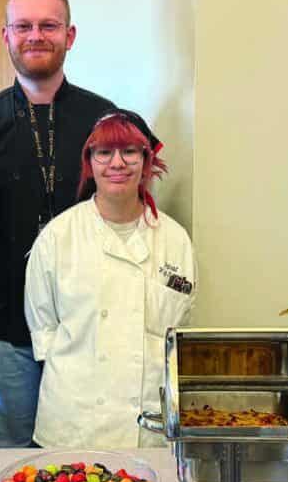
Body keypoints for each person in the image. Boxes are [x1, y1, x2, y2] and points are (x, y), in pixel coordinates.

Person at [0, 0, 115, 448]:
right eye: (23, 25)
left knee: (85, 457)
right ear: (6, 36)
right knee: (15, 461)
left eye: (49, 25)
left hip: (86, 328)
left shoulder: (106, 122)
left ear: (69, 36)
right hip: (5, 328)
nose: (36, 35)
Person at [24, 110, 196, 448]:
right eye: (104, 152)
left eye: (130, 151)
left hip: (146, 425)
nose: (117, 163)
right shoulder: (58, 237)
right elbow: (43, 326)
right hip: (75, 421)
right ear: (90, 161)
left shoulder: (175, 240)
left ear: (147, 160)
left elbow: (178, 330)